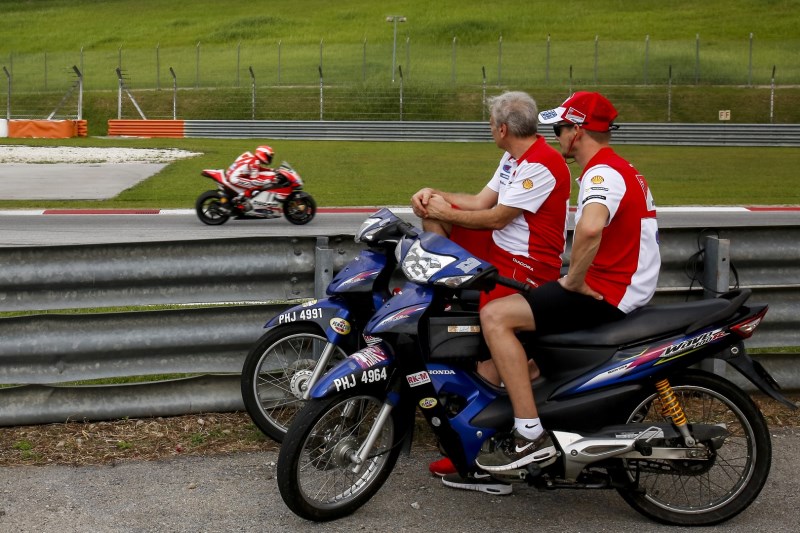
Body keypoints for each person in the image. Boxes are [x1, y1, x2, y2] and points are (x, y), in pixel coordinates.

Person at [474, 91, 661, 473]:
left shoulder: (601, 172)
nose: (556, 134)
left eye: (560, 127)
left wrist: (573, 281)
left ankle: (529, 436)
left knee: (496, 316)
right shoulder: (621, 168)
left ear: (578, 131)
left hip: (609, 290)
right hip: (619, 284)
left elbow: (590, 229)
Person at [411, 91, 571, 492]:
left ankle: (498, 446)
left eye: (489, 124)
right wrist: (435, 196)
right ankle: (449, 308)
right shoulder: (515, 157)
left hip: (528, 268)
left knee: (487, 362)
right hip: (503, 250)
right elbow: (480, 202)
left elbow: (495, 217)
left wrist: (441, 210)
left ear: (501, 128)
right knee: (438, 222)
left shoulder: (543, 164)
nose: (489, 129)